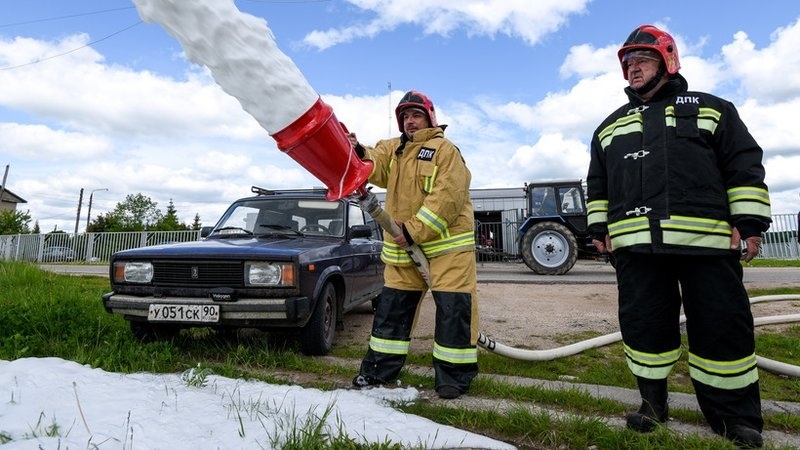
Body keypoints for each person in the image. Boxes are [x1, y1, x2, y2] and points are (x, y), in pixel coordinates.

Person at [586, 25, 772, 448]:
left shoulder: (711, 109)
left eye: (642, 59)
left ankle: (736, 419)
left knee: (723, 329)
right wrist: (600, 232)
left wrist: (749, 224)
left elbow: (743, 166)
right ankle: (653, 407)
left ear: (667, 60)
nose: (633, 67)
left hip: (707, 246)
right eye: (628, 62)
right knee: (644, 329)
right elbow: (597, 185)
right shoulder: (608, 128)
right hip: (636, 250)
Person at [347, 90, 479, 400]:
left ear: (430, 118)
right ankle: (378, 370)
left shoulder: (445, 151)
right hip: (402, 249)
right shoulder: (394, 149)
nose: (409, 121)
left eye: (415, 115)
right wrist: (355, 151)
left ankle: (453, 377)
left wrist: (414, 231)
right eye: (404, 116)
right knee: (392, 310)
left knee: (453, 311)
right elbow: (374, 163)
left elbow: (447, 198)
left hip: (448, 250)